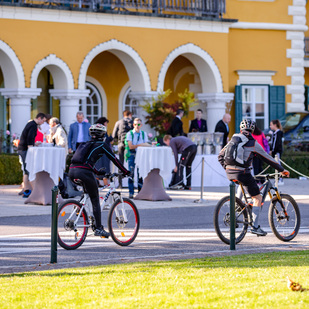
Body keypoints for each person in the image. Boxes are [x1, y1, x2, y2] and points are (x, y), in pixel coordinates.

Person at [218, 119, 290, 236]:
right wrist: (282, 170)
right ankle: (255, 227)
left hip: (230, 172)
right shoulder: (253, 143)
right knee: (257, 198)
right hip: (242, 172)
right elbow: (267, 158)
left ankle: (237, 207)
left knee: (244, 186)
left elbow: (220, 156)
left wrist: (227, 168)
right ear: (252, 130)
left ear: (241, 129)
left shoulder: (233, 140)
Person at [69, 123, 130, 238]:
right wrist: (125, 171)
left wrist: (97, 172)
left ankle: (79, 208)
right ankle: (98, 228)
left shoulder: (84, 144)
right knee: (95, 199)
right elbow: (114, 159)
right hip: (85, 172)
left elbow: (84, 161)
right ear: (103, 134)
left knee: (88, 192)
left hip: (72, 171)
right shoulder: (102, 145)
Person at [17, 113, 47, 197]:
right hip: (25, 150)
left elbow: (28, 138)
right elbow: (29, 138)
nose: (43, 123)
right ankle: (34, 192)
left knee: (26, 171)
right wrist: (31, 148)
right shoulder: (33, 125)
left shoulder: (30, 124)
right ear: (40, 118)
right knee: (29, 170)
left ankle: (27, 191)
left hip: (22, 149)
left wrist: (34, 144)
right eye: (43, 121)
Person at [125, 118, 148, 198]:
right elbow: (131, 146)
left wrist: (141, 145)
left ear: (141, 125)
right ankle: (131, 192)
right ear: (133, 125)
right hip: (132, 154)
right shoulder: (129, 133)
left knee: (140, 173)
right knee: (131, 173)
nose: (137, 126)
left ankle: (140, 192)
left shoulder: (144, 134)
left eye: (138, 124)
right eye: (135, 124)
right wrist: (141, 145)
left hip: (140, 154)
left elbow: (147, 144)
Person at [112, 110, 133, 188]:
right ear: (130, 114)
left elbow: (114, 135)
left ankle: (120, 184)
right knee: (132, 164)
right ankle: (132, 184)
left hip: (121, 144)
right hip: (130, 146)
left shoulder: (118, 122)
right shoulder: (133, 123)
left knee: (120, 164)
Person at [95, 117, 113, 186]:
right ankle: (106, 184)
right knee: (104, 167)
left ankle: (97, 183)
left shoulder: (97, 128)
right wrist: (110, 138)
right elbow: (105, 140)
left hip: (98, 151)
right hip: (103, 151)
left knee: (98, 167)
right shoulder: (102, 129)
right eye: (106, 123)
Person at [270, 119, 284, 185]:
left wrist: (273, 151)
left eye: (271, 125)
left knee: (278, 165)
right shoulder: (275, 133)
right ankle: (278, 179)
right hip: (275, 151)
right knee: (277, 165)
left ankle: (281, 179)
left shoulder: (278, 133)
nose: (270, 126)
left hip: (277, 151)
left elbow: (276, 143)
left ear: (275, 125)